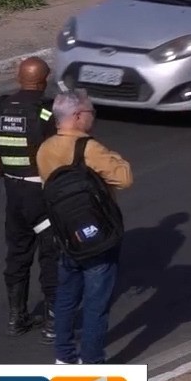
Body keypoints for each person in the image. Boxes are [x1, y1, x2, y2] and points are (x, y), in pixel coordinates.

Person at [37, 89, 133, 365]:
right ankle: (92, 360)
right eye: (91, 112)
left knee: (66, 298)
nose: (94, 117)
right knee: (96, 303)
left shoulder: (45, 149)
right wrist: (115, 157)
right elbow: (124, 178)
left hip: (65, 234)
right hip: (97, 235)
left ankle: (64, 355)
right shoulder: (90, 149)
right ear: (78, 116)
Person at [0, 57, 59, 340]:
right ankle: (52, 323)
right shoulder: (48, 112)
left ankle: (16, 318)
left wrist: (10, 173)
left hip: (14, 194)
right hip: (42, 195)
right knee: (51, 256)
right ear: (44, 80)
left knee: (18, 255)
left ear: (17, 77)